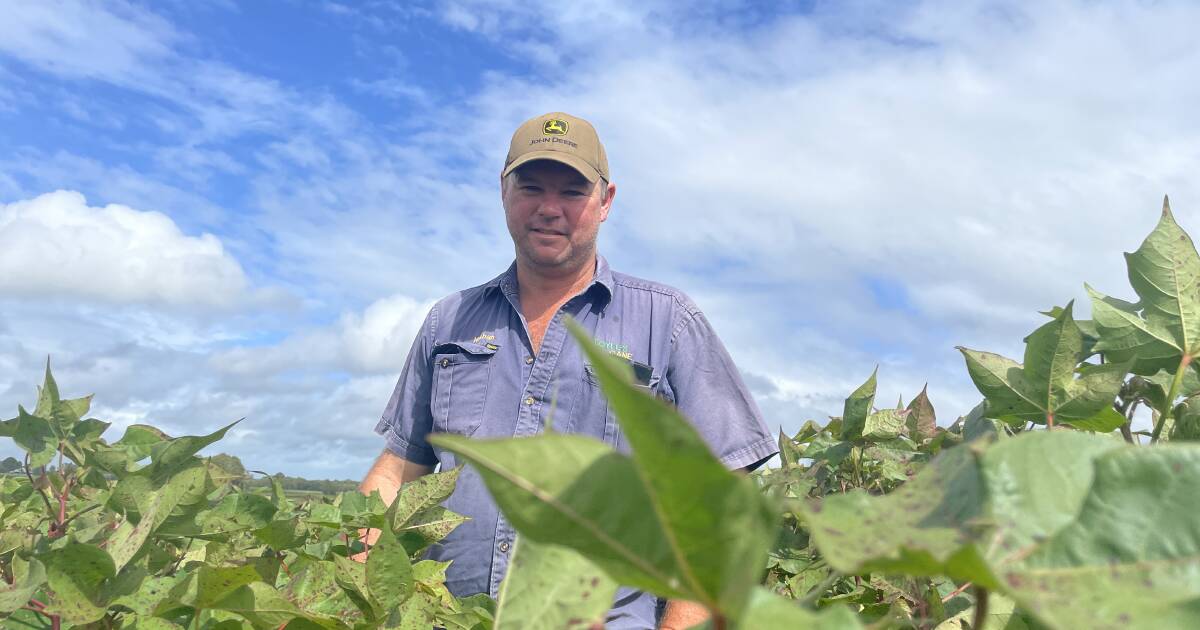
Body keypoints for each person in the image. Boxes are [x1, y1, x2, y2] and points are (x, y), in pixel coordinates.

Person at [361, 112, 777, 629]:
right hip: (446, 618)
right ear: (504, 192)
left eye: (573, 192)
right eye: (531, 187)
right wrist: (341, 590)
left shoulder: (667, 321)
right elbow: (400, 468)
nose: (549, 209)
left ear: (606, 202)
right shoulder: (449, 320)